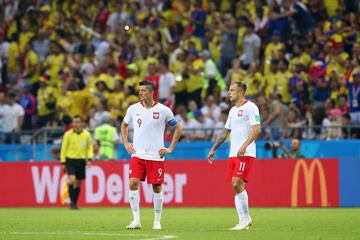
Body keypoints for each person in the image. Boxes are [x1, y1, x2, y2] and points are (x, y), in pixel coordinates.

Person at [121, 80, 182, 230]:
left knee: (157, 187)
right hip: (138, 154)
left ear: (151, 92)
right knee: (133, 183)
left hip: (156, 156)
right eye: (139, 90)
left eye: (143, 90)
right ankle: (136, 220)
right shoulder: (133, 109)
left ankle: (157, 221)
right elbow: (124, 125)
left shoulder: (163, 110)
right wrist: (126, 143)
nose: (140, 93)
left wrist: (170, 148)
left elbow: (178, 128)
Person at [207, 82, 261, 230]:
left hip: (246, 153)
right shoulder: (232, 111)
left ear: (241, 91)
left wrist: (244, 145)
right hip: (233, 154)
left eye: (232, 90)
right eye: (229, 90)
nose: (229, 93)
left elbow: (256, 128)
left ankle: (245, 219)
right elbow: (225, 132)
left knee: (237, 183)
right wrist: (213, 149)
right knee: (236, 186)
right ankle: (243, 221)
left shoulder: (251, 107)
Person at [60, 115, 93, 210]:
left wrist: (89, 159)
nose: (75, 124)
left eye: (78, 122)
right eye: (74, 122)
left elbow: (89, 148)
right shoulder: (68, 134)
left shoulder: (86, 135)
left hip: (81, 160)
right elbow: (63, 148)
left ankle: (74, 203)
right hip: (70, 160)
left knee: (78, 183)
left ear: (81, 123)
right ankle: (72, 203)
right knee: (72, 180)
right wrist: (63, 162)